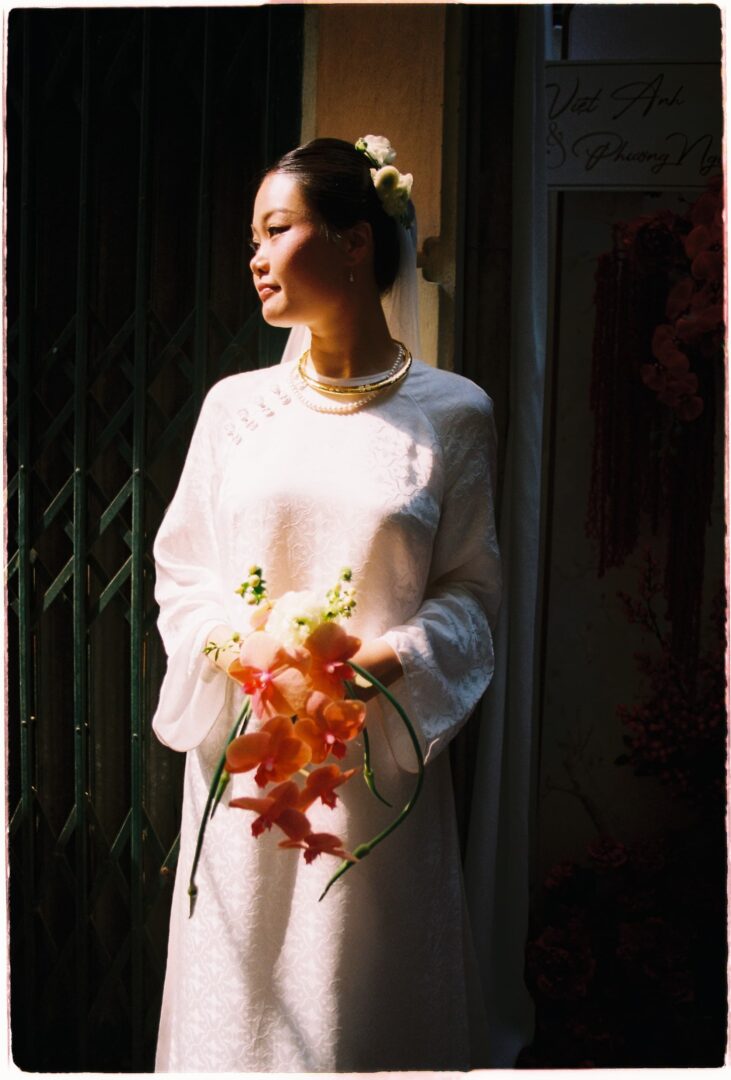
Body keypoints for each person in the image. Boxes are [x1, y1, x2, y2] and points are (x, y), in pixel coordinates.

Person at [152, 135, 501, 1072]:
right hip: (250, 762)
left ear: (355, 242)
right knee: (243, 999)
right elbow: (183, 571)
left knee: (360, 998)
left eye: (276, 229)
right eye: (252, 236)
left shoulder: (454, 412)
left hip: (377, 760)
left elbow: (473, 590)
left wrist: (379, 665)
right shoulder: (236, 408)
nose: (255, 256)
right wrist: (244, 649)